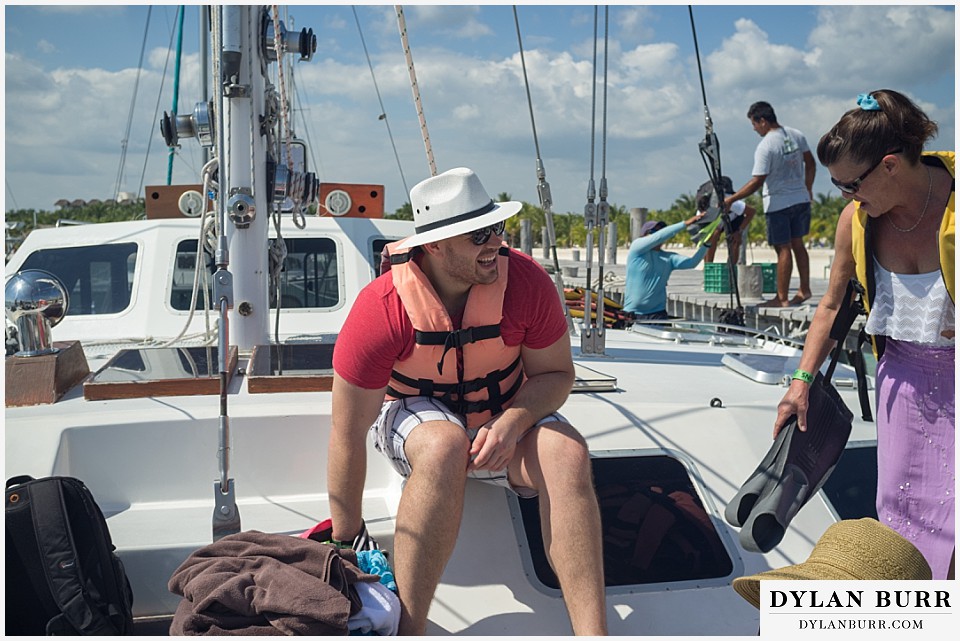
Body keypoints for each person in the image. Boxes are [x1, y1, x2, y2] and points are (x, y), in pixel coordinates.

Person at [328, 167, 607, 635]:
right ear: (435, 246)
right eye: (479, 235)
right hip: (419, 425)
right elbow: (348, 432)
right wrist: (345, 538)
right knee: (443, 444)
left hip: (503, 421)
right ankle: (410, 629)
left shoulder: (526, 286)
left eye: (498, 228)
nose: (496, 243)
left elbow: (558, 375)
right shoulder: (381, 311)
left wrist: (514, 422)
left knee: (568, 452)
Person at [773, 90, 955, 579]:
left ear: (891, 166)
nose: (846, 197)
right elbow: (831, 305)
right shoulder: (858, 222)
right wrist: (801, 382)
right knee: (899, 526)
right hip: (902, 386)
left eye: (851, 184)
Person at [724, 101, 816, 307]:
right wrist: (807, 188)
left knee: (783, 248)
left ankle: (781, 298)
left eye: (754, 124)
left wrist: (732, 199)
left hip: (779, 203)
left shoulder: (766, 146)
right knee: (798, 244)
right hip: (801, 199)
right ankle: (805, 289)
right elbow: (810, 163)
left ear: (763, 121)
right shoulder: (796, 134)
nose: (754, 129)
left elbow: (757, 181)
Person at [622, 212, 708, 321]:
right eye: (653, 232)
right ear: (644, 235)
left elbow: (692, 262)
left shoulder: (669, 258)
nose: (658, 235)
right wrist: (685, 223)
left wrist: (707, 244)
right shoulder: (636, 249)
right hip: (632, 313)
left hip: (658, 314)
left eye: (661, 231)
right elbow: (658, 237)